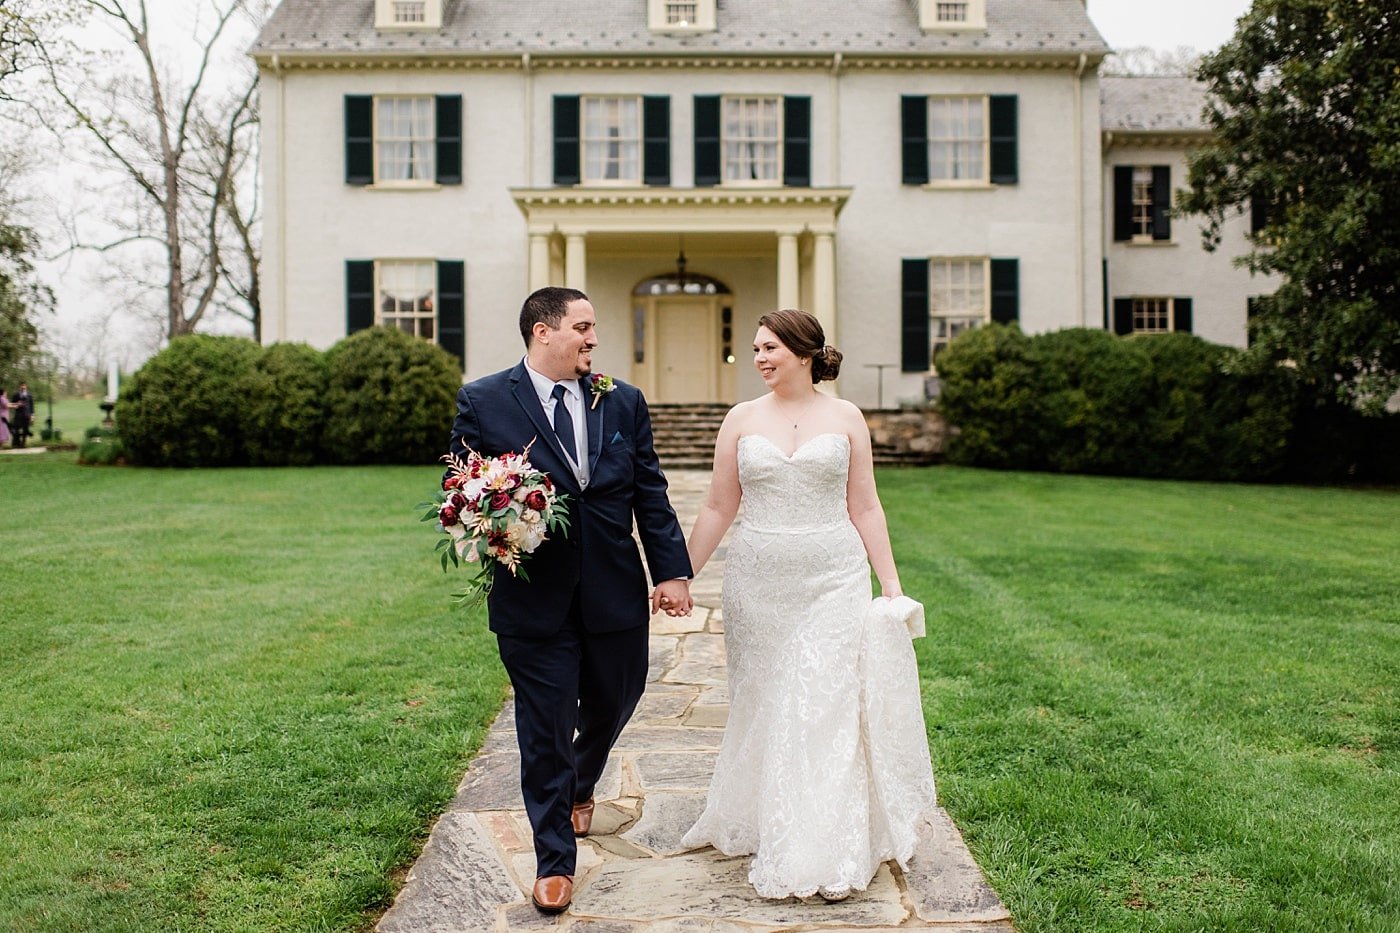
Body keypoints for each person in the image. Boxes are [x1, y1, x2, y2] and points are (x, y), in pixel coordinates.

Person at [447, 286, 694, 914]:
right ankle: (554, 859)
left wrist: (671, 572)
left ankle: (582, 782)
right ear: (543, 331)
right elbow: (460, 488)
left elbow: (650, 491)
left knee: (617, 698)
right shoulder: (483, 400)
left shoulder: (622, 400)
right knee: (545, 728)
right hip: (533, 598)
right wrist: (495, 513)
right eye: (582, 327)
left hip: (614, 587)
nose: (593, 338)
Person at [680, 308, 936, 900]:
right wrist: (680, 575)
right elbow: (718, 506)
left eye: (769, 348)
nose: (759, 358)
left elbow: (864, 505)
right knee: (766, 700)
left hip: (834, 579)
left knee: (825, 703)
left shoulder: (846, 417)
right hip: (758, 584)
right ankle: (765, 816)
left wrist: (890, 585)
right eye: (755, 349)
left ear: (804, 353)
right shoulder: (741, 419)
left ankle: (823, 845)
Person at [11, 381, 33, 448]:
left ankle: (23, 443)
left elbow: (31, 406)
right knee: (16, 429)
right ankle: (17, 442)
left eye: (24, 385)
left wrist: (32, 415)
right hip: (18, 414)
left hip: (27, 415)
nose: (23, 387)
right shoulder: (16, 395)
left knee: (25, 429)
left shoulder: (29, 395)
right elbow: (12, 404)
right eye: (22, 385)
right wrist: (17, 403)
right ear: (19, 386)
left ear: (26, 386)